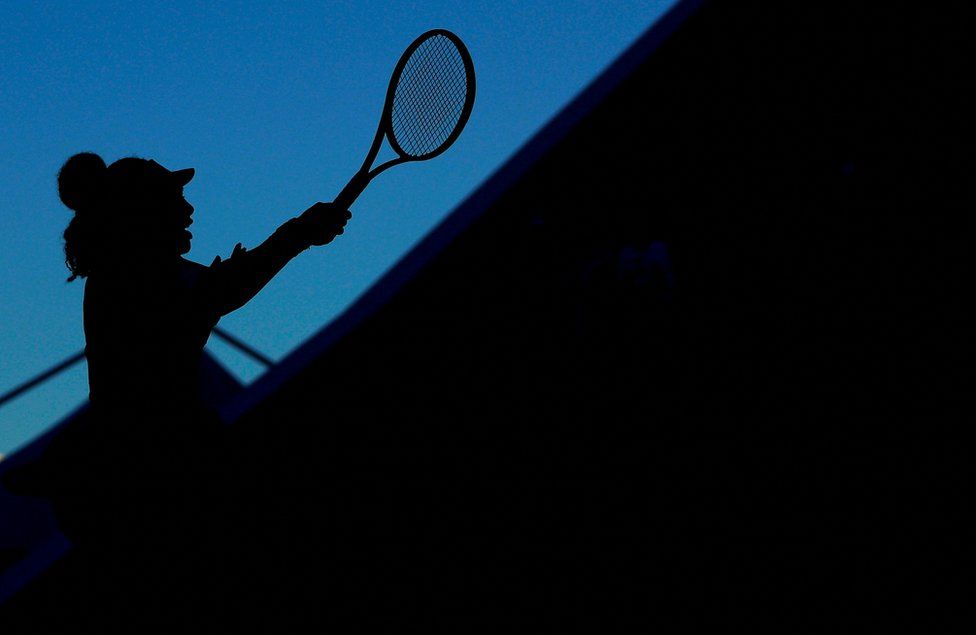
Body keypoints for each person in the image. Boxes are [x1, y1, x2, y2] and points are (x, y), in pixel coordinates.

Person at [27, 151, 350, 618]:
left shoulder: (132, 273)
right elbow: (219, 292)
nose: (188, 209)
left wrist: (299, 233)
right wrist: (298, 234)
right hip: (152, 485)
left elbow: (222, 287)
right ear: (141, 212)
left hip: (139, 483)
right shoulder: (135, 279)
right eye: (173, 198)